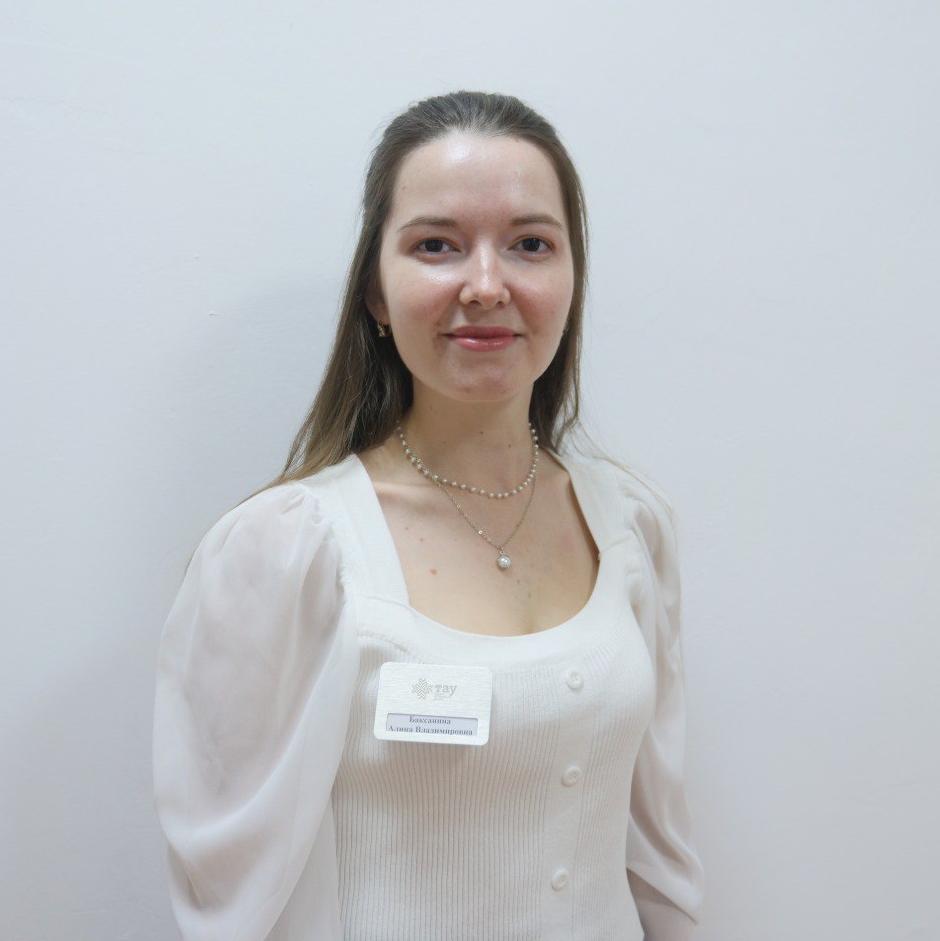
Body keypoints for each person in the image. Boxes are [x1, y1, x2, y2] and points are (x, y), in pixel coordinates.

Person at [152, 89, 706, 941]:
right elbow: (230, 901)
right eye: (436, 245)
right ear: (376, 293)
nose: (486, 286)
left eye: (530, 244)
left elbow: (661, 856)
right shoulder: (286, 550)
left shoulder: (632, 527)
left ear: (571, 279)